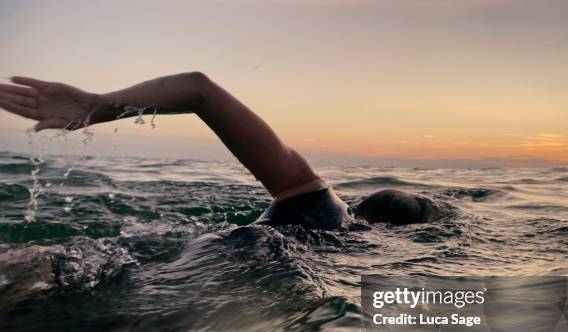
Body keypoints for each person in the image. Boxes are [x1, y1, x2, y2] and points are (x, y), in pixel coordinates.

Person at [0, 72, 446, 230]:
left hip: (181, 271)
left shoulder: (312, 197)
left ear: (362, 202)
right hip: (196, 311)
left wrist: (96, 108)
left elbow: (198, 88)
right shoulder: (348, 247)